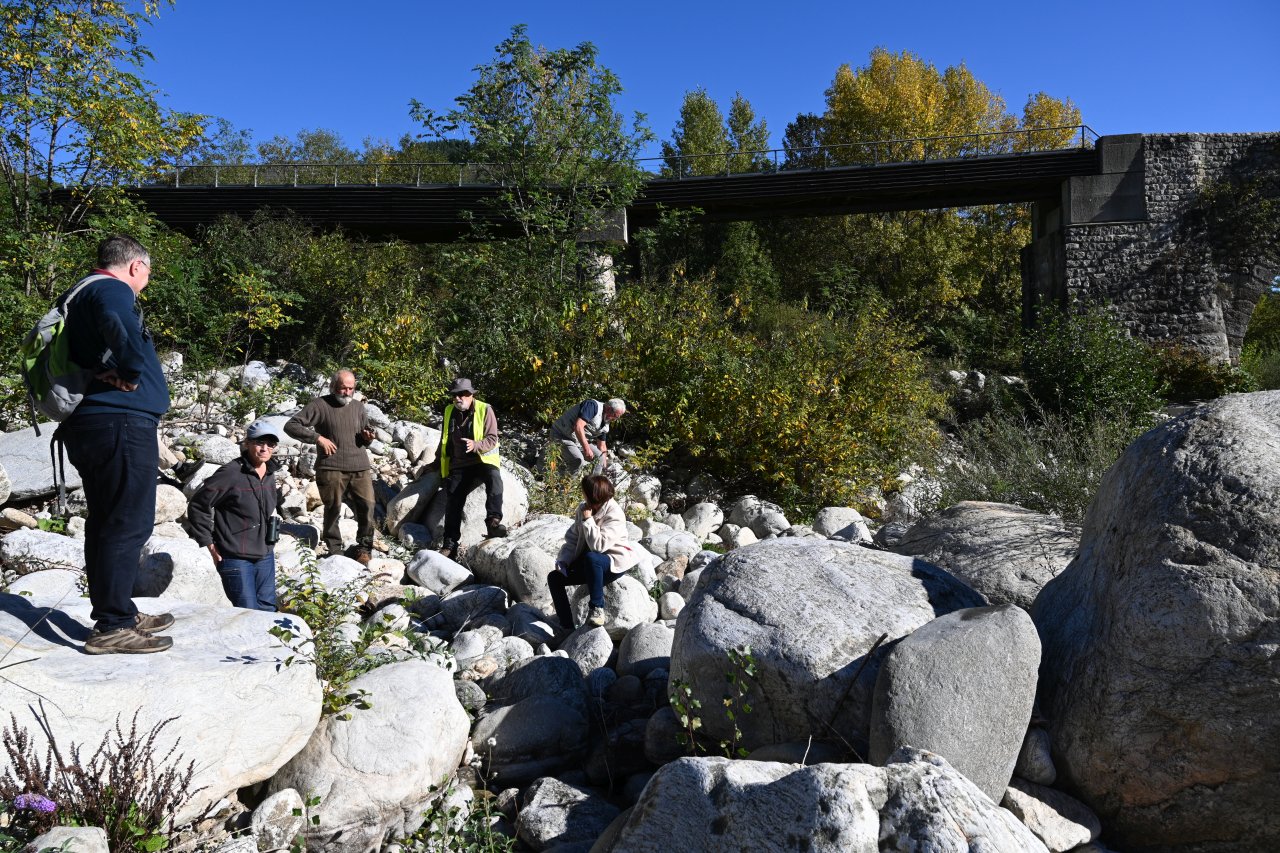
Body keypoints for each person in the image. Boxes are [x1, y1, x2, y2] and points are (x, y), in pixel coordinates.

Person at [55, 235, 173, 654]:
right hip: (119, 421)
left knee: (106, 520)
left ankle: (116, 608)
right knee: (128, 520)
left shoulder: (79, 290)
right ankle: (111, 626)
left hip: (93, 422)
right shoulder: (110, 289)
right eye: (148, 272)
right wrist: (132, 370)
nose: (146, 280)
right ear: (136, 266)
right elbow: (116, 320)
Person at [187, 420, 283, 611]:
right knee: (247, 612)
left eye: (270, 444)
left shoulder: (270, 471)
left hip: (265, 553)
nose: (265, 448)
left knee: (268, 609)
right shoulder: (231, 473)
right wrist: (209, 543)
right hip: (235, 556)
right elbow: (198, 504)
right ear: (247, 443)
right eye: (259, 443)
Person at [284, 369, 377, 562]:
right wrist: (318, 438)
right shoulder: (320, 405)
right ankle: (335, 551)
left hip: (359, 465)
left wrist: (367, 438)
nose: (347, 392)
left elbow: (363, 437)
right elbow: (292, 425)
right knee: (333, 508)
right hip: (330, 466)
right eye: (343, 388)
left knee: (368, 506)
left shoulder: (358, 407)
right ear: (333, 386)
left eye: (351, 388)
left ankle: (364, 549)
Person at [548, 474, 637, 629]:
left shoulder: (614, 514)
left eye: (584, 492)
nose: (582, 495)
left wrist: (588, 521)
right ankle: (566, 627)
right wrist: (564, 560)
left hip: (611, 564)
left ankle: (597, 608)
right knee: (554, 578)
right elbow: (573, 539)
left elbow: (599, 546)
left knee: (592, 557)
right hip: (589, 565)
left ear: (592, 495)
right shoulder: (583, 508)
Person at [433, 377, 506, 560]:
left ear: (471, 395)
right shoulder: (449, 411)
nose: (459, 398)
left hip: (481, 460)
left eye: (463, 394)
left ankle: (493, 522)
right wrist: (435, 464)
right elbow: (444, 440)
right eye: (455, 395)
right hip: (459, 464)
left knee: (494, 478)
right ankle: (450, 544)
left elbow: (492, 439)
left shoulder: (485, 409)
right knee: (453, 499)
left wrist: (476, 445)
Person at [548, 398, 626, 474]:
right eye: (615, 416)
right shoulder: (592, 406)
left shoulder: (605, 421)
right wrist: (586, 449)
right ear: (609, 409)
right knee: (578, 460)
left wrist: (604, 467)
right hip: (562, 435)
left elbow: (602, 445)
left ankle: (593, 484)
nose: (615, 419)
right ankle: (566, 485)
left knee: (600, 458)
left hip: (577, 440)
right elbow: (578, 426)